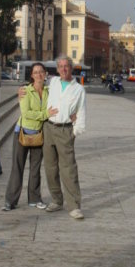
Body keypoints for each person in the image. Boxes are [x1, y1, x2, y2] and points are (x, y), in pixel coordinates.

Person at [2, 63, 58, 211]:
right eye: (36, 72)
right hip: (22, 133)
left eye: (41, 72)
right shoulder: (25, 91)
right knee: (17, 167)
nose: (39, 75)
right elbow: (26, 113)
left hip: (39, 134)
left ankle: (34, 199)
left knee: (35, 168)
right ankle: (10, 201)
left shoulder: (49, 92)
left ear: (45, 74)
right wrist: (45, 114)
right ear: (32, 75)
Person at [43, 55, 86, 219]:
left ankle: (74, 205)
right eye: (60, 66)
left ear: (71, 68)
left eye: (66, 66)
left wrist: (75, 132)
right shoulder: (53, 82)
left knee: (68, 169)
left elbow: (81, 111)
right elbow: (39, 89)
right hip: (49, 127)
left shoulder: (78, 89)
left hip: (65, 130)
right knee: (50, 167)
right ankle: (56, 200)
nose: (63, 69)